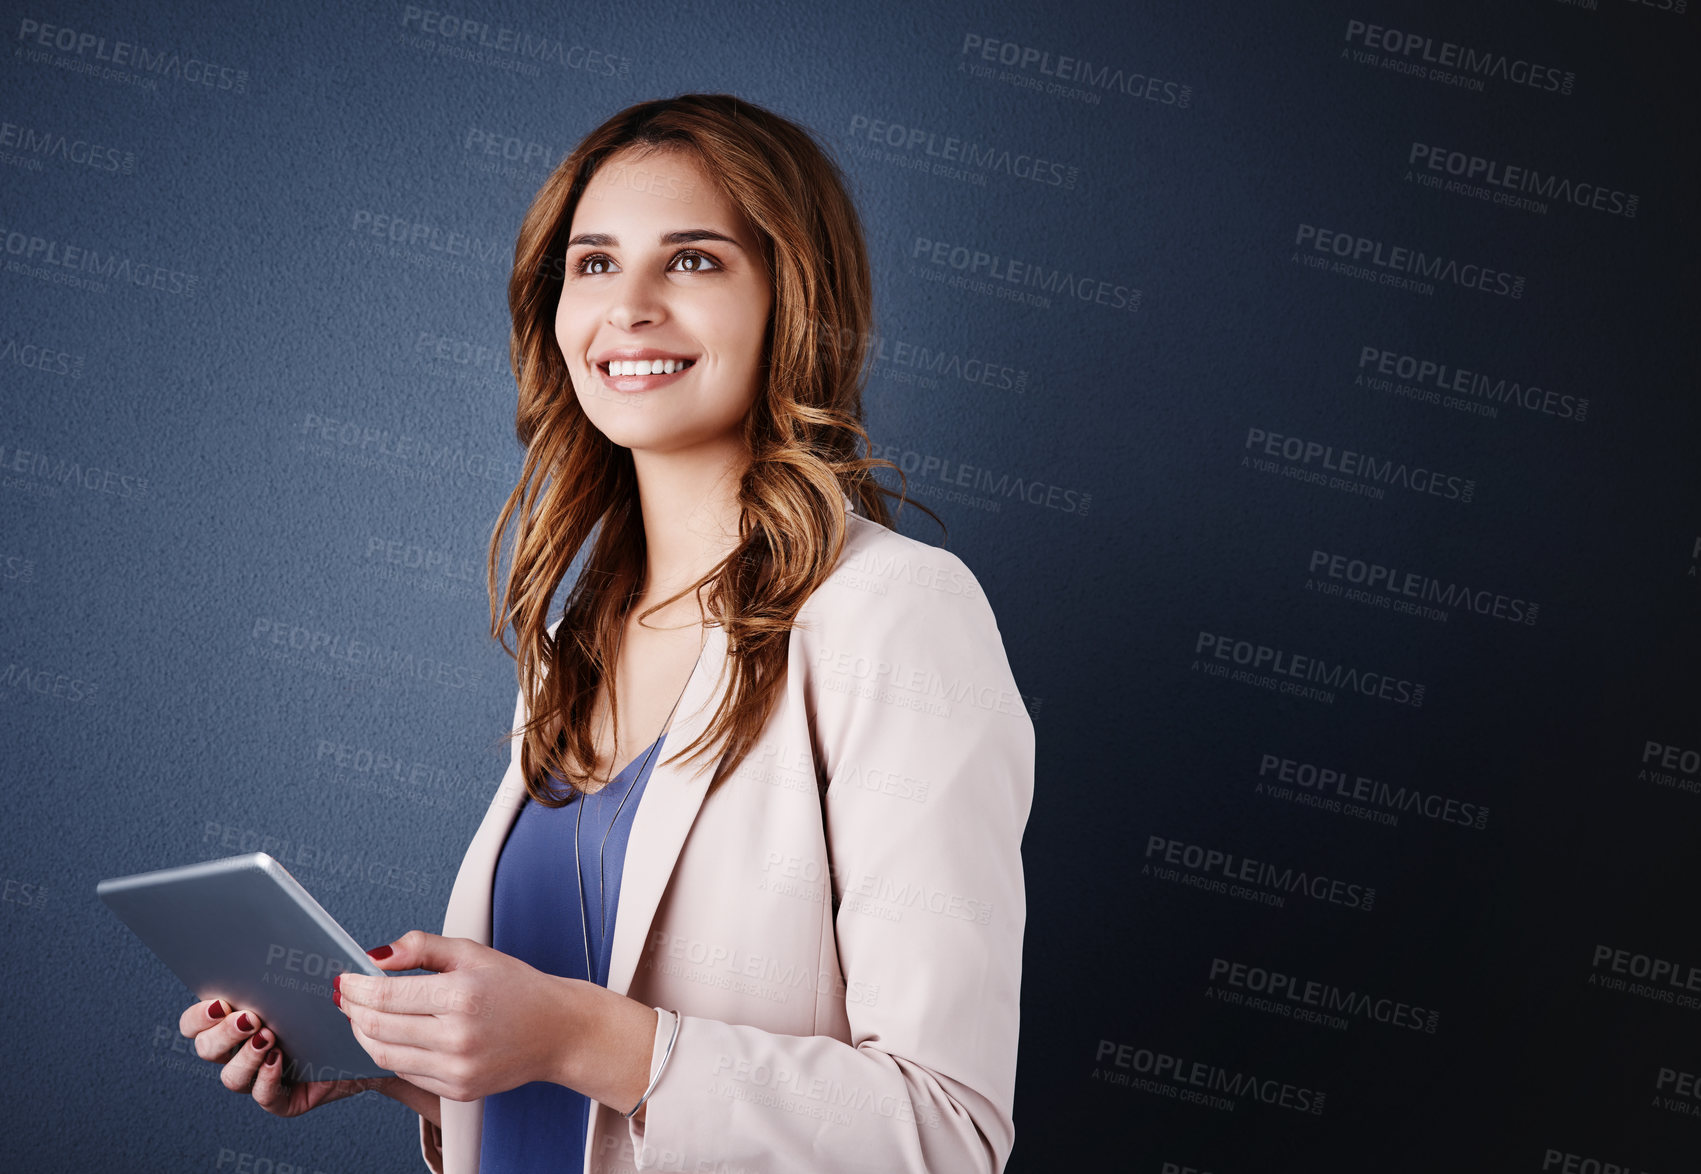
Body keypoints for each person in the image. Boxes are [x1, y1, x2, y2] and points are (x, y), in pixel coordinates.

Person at [178, 93, 1034, 1174]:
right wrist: (419, 1067)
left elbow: (943, 1135)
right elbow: (598, 1109)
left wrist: (578, 1033)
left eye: (692, 262)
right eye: (593, 263)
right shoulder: (572, 639)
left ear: (793, 298)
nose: (626, 308)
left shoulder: (896, 612)